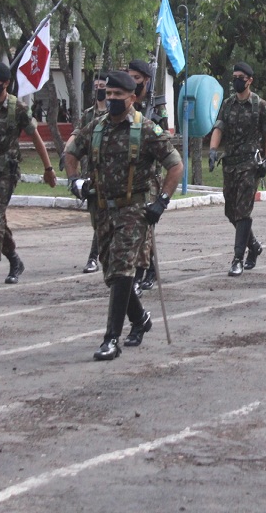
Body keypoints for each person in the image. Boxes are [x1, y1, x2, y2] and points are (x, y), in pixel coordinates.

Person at [63, 71, 183, 360]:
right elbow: (71, 151)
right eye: (110, 94)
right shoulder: (95, 128)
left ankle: (111, 339)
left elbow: (175, 165)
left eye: (119, 95)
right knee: (112, 273)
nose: (113, 99)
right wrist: (75, 181)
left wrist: (162, 201)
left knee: (122, 269)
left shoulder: (146, 130)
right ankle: (140, 319)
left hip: (134, 210)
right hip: (102, 209)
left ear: (132, 98)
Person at [0, 61, 58, 291]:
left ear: (5, 83)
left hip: (7, 172)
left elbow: (36, 138)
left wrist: (48, 169)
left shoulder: (17, 108)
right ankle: (15, 260)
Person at [209, 62, 266, 276]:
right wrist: (212, 150)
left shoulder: (259, 104)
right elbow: (219, 127)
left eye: (241, 77)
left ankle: (238, 258)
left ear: (249, 80)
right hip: (230, 164)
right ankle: (253, 245)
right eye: (234, 76)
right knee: (231, 211)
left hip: (249, 164)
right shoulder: (228, 104)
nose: (237, 80)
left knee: (243, 210)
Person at [127, 59, 167, 291]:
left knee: (144, 224)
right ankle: (142, 268)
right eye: (130, 77)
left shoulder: (156, 107)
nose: (133, 82)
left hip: (150, 175)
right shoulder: (125, 104)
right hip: (130, 173)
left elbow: (163, 139)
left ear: (147, 80)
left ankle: (143, 272)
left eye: (137, 78)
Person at [77, 73, 110, 274]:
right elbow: (78, 135)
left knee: (102, 218)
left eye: (102, 85)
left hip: (111, 172)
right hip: (92, 172)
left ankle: (93, 257)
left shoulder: (114, 114)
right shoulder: (88, 115)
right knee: (96, 219)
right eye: (96, 85)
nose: (99, 89)